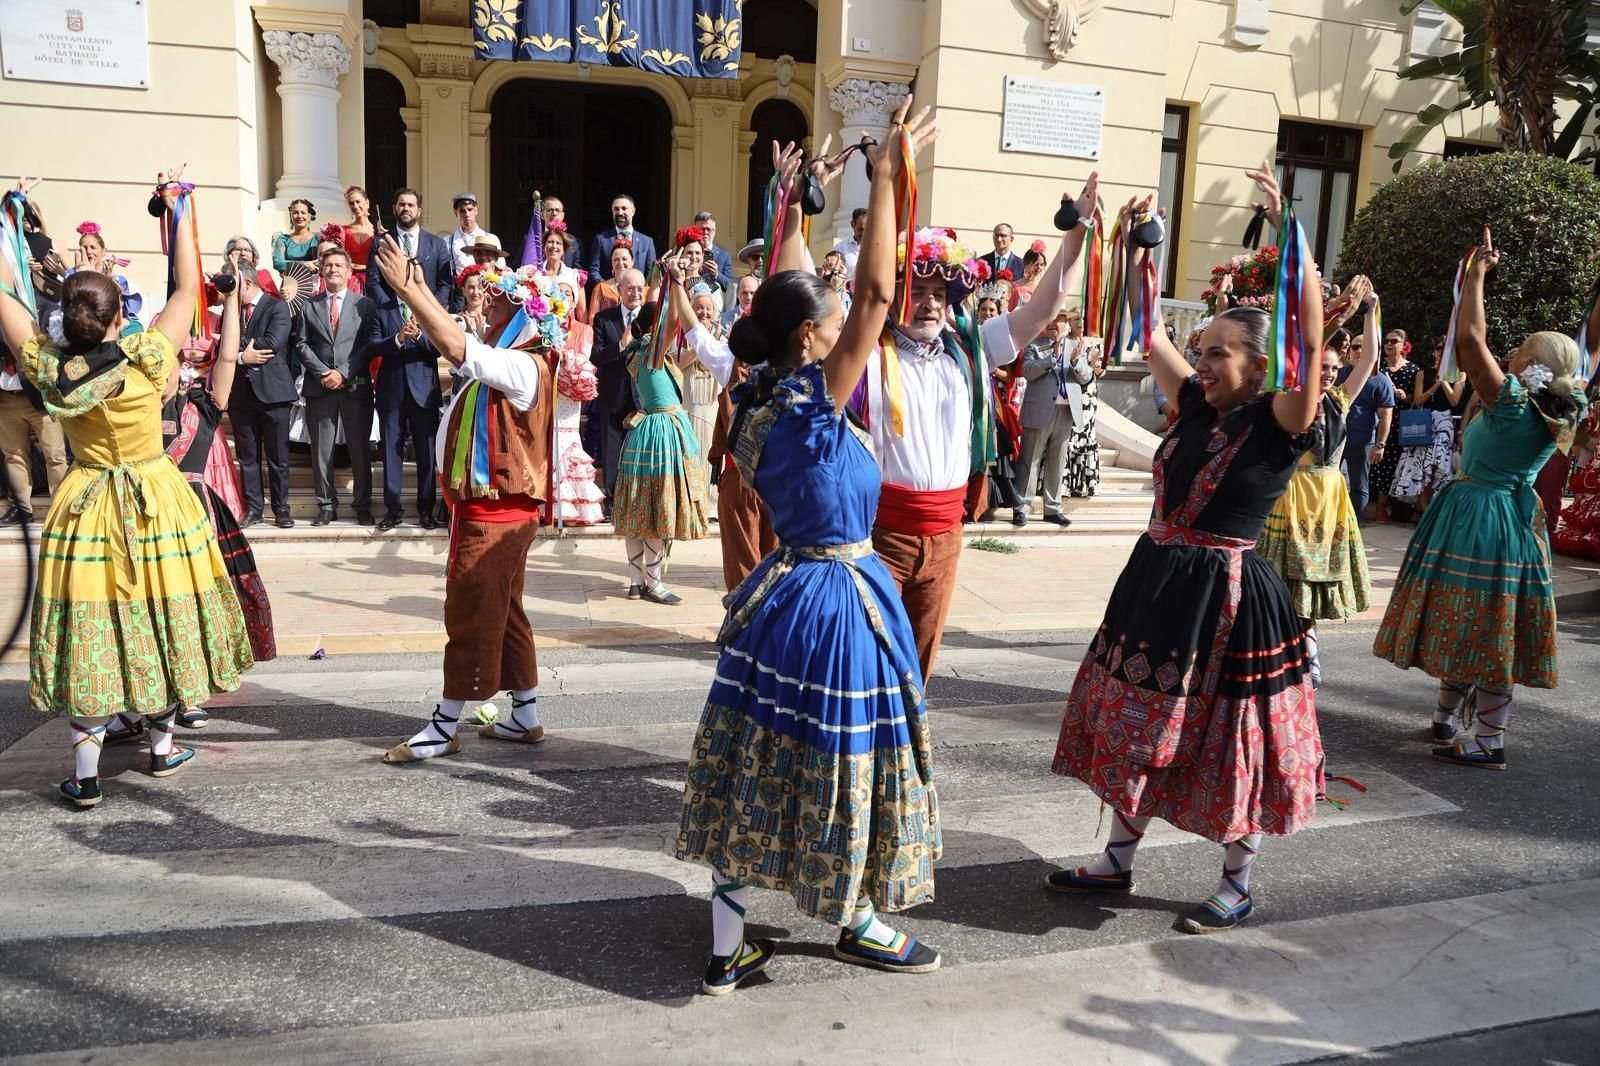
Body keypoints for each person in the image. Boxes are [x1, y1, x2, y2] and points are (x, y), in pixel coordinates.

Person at [674, 105, 944, 995]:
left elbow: (796, 290)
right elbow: (869, 296)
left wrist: (792, 201)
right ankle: (859, 921)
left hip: (782, 597)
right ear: (810, 339)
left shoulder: (754, 395)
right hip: (838, 600)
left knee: (758, 762)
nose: (845, 331)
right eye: (829, 328)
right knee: (844, 757)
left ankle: (726, 946)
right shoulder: (818, 404)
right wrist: (889, 179)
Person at [1047, 165, 1326, 935]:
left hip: (1227, 602)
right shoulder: (1199, 406)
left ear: (1262, 366)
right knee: (1137, 723)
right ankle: (1117, 859)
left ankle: (1237, 881)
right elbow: (1149, 332)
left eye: (1219, 356)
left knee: (1227, 738)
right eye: (1202, 354)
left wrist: (1289, 237)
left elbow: (1304, 343)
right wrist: (1139, 257)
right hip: (1158, 584)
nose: (1201, 365)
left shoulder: (1282, 420)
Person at [0, 173, 253, 809]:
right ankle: (162, 748)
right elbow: (188, 289)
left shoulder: (51, 366)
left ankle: (85, 775)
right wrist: (179, 210)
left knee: (95, 625)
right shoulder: (147, 356)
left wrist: (11, 224)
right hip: (157, 496)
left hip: (85, 500)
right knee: (164, 612)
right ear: (119, 315)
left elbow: (6, 302)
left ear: (68, 319)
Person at [851, 190, 1092, 681]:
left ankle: (907, 750)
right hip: (881, 534)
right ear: (897, 296)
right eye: (917, 293)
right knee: (869, 660)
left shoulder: (970, 350)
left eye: (939, 295)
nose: (929, 304)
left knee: (919, 664)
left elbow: (1042, 310)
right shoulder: (868, 355)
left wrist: (1076, 236)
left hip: (947, 533)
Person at [1374, 230, 1588, 771]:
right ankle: (1447, 718)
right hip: (1498, 514)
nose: (1509, 352)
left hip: (1486, 514)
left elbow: (1470, 341)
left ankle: (1490, 738)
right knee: (1471, 617)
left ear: (1531, 365)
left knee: (1485, 622)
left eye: (1519, 350)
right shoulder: (1551, 407)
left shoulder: (1519, 404)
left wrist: (1475, 277)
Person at [374, 242, 562, 765]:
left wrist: (410, 291)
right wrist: (418, 292)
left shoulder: (522, 367)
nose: (486, 309)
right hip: (494, 510)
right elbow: (460, 343)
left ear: (525, 316)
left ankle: (444, 725)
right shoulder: (512, 362)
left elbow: (456, 348)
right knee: (506, 613)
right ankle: (523, 714)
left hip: (494, 515)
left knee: (470, 612)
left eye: (498, 305)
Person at [1257, 278, 1380, 687]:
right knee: (1286, 579)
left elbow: (1369, 360)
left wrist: (1372, 312)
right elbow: (1300, 357)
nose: (1326, 374)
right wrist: (1336, 311)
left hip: (1330, 497)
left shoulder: (1340, 399)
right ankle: (1282, 649)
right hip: (1293, 496)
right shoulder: (1293, 395)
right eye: (1321, 367)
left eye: (1331, 368)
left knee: (1314, 584)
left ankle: (1307, 652)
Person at [610, 251, 709, 605]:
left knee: (639, 507)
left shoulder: (647, 356)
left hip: (646, 432)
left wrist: (662, 278)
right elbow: (670, 322)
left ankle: (637, 581)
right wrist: (673, 279)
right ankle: (652, 583)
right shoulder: (651, 351)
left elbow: (675, 337)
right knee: (654, 509)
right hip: (661, 434)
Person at [295, 248, 378, 526]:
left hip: (355, 386)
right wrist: (322, 372)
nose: (332, 269)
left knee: (359, 449)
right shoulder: (310, 305)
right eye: (328, 265)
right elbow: (302, 345)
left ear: (349, 270)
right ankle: (326, 505)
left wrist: (342, 373)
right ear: (321, 270)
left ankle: (363, 504)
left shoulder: (364, 305)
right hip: (320, 388)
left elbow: (368, 345)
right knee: (322, 451)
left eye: (338, 265)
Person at [368, 252, 445, 531]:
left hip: (424, 390)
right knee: (391, 451)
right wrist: (398, 339)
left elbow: (440, 347)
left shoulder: (431, 307)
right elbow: (372, 346)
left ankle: (426, 509)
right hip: (392, 389)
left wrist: (420, 338)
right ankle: (393, 510)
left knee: (426, 451)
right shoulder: (382, 308)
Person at [227, 262, 296, 528]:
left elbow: (272, 343)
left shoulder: (276, 306)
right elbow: (222, 341)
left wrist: (236, 351)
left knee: (278, 457)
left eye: (235, 284)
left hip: (273, 393)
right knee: (247, 458)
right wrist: (243, 356)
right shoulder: (230, 310)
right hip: (241, 395)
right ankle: (254, 509)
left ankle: (282, 509)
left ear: (246, 282)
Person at [1012, 309, 1092, 527]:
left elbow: (1086, 376)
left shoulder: (1075, 346)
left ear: (1065, 324)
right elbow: (1028, 371)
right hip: (1039, 410)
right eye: (1049, 320)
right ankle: (1021, 507)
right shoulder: (1035, 346)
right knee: (1031, 461)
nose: (1052, 325)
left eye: (1058, 321)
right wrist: (1050, 358)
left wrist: (1076, 362)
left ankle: (1053, 508)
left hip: (1066, 411)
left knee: (1057, 462)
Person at [590, 267, 649, 507]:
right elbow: (596, 356)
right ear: (619, 289)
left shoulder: (651, 316)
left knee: (641, 448)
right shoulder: (604, 319)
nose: (635, 293)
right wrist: (620, 346)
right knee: (612, 449)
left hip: (643, 394)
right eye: (630, 288)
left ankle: (639, 499)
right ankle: (614, 501)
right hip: (614, 393)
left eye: (639, 288)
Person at [1391, 336, 1464, 521]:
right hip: (1424, 424)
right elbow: (1417, 400)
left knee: (1438, 471)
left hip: (1444, 426)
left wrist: (1444, 381)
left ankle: (1429, 515)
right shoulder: (1423, 374)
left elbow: (1455, 401)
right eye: (1438, 348)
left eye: (1445, 348)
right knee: (1419, 470)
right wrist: (1435, 385)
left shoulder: (1459, 374)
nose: (1440, 351)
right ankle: (1426, 516)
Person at [552, 286, 605, 526]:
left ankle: (575, 508)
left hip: (571, 392)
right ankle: (549, 507)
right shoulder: (543, 326)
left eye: (568, 293)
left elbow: (585, 361)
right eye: (558, 293)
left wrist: (565, 357)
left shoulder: (583, 329)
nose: (563, 297)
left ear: (575, 301)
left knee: (567, 443)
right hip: (548, 392)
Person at [0, 340, 67, 527]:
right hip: (5, 399)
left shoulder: (34, 313)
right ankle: (20, 509)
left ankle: (60, 507)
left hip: (40, 398)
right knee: (13, 456)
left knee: (55, 456)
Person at [1337, 329, 1394, 520]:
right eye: (1355, 346)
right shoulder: (1337, 374)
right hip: (1334, 440)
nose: (1359, 351)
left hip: (1361, 442)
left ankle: (1356, 527)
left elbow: (1386, 415)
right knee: (1325, 481)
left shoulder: (1380, 380)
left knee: (1359, 486)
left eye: (1365, 347)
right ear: (1349, 350)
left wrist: (1380, 444)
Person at [1371, 328, 1421, 521]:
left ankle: (1394, 505)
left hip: (1402, 422)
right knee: (1380, 463)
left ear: (1403, 346)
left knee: (1398, 463)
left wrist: (1403, 395)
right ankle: (1380, 508)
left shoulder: (1413, 370)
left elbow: (1416, 400)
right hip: (1380, 420)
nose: (1389, 345)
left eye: (1394, 341)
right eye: (1386, 341)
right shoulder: (1378, 368)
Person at [682, 280, 723, 501]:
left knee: (710, 451)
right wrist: (703, 344)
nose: (704, 312)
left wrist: (711, 342)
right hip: (689, 405)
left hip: (711, 406)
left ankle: (710, 502)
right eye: (699, 307)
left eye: (708, 308)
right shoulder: (682, 336)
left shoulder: (721, 335)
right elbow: (678, 363)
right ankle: (691, 500)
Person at [589, 193, 658, 282]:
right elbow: (593, 271)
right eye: (616, 209)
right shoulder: (601, 239)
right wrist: (607, 288)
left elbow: (651, 275)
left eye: (624, 208)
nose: (620, 212)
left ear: (633, 211)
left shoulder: (647, 242)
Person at [321, 184, 375, 294]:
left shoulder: (378, 232)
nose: (355, 206)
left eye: (358, 201)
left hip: (373, 282)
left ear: (367, 203)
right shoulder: (342, 231)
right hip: (348, 282)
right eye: (351, 203)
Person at [442, 191, 498, 274]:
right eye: (462, 211)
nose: (467, 214)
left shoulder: (491, 239)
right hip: (457, 286)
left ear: (476, 210)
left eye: (470, 209)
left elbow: (500, 269)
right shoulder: (447, 242)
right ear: (455, 213)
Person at [589, 238, 636, 320]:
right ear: (612, 263)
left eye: (624, 259)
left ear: (632, 262)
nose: (620, 263)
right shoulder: (601, 289)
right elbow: (593, 319)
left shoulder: (641, 289)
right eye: (616, 260)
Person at [271, 198, 319, 275]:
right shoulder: (282, 239)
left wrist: (290, 265)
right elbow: (278, 263)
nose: (299, 216)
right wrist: (305, 265)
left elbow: (326, 261)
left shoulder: (319, 238)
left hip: (315, 283)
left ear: (309, 216)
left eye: (303, 212)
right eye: (295, 212)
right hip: (290, 283)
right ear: (290, 216)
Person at [693, 210, 735, 293]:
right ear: (695, 230)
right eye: (701, 229)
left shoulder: (724, 255)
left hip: (715, 302)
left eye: (708, 229)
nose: (705, 232)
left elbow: (731, 286)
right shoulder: (688, 252)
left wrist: (716, 274)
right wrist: (697, 272)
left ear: (714, 231)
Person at [539, 194, 580, 268]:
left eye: (557, 210)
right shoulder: (531, 239)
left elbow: (577, 270)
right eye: (549, 210)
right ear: (542, 215)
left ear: (562, 216)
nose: (554, 213)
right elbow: (519, 266)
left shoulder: (573, 241)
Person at [834, 206, 866, 280]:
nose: (864, 233)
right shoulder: (839, 249)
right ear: (852, 224)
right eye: (860, 229)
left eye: (867, 229)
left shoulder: (876, 249)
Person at [1013, 240, 1048, 304]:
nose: (1039, 268)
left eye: (1041, 264)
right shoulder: (1015, 286)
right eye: (1036, 264)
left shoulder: (1045, 285)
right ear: (1027, 264)